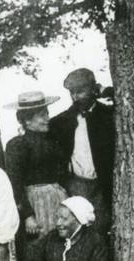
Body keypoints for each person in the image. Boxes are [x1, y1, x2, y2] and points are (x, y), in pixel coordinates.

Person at [4, 91, 68, 261]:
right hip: (34, 203)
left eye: (47, 113)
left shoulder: (53, 141)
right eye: (41, 115)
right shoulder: (17, 145)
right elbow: (14, 183)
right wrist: (28, 216)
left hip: (57, 199)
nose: (47, 118)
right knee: (35, 246)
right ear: (26, 120)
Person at [49, 68, 115, 235]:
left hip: (103, 184)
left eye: (80, 91)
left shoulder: (109, 116)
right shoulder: (60, 122)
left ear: (93, 89)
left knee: (101, 228)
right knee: (77, 229)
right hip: (76, 184)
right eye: (72, 92)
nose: (75, 97)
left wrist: (104, 91)